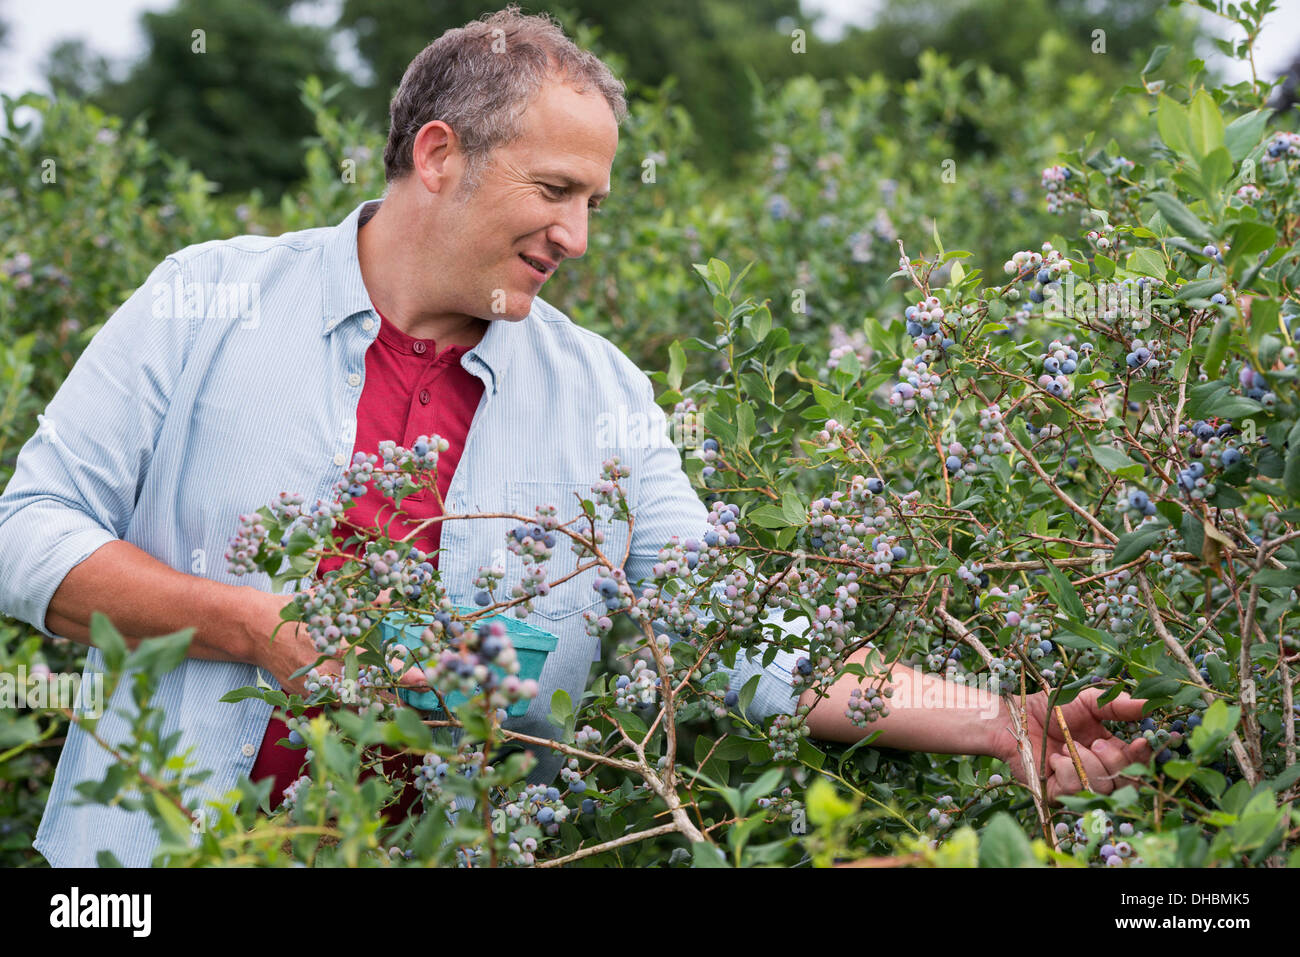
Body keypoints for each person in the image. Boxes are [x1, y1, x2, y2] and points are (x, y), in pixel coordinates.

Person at [0, 6, 1150, 868]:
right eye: (555, 190)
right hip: (148, 861)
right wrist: (257, 625)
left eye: (596, 200)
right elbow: (27, 538)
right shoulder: (205, 299)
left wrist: (998, 721)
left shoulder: (602, 390)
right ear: (440, 154)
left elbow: (735, 640)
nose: (579, 236)